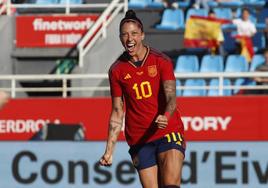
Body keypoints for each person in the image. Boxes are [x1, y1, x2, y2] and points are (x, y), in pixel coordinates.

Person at [99, 10, 185, 188]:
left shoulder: (161, 61)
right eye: (124, 34)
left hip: (168, 131)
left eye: (134, 34)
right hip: (139, 138)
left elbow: (171, 98)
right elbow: (117, 111)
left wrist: (166, 116)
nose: (129, 38)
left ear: (142, 35)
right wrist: (109, 151)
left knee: (170, 185)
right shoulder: (116, 70)